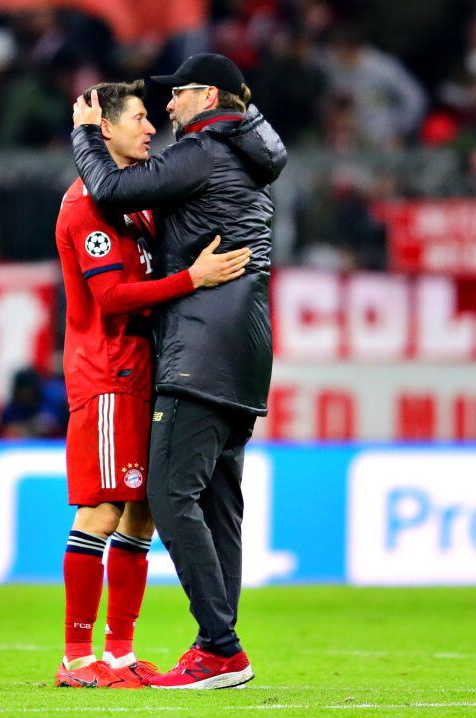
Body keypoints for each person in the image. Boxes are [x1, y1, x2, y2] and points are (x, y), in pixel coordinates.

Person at [72, 53, 287, 689]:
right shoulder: (244, 157)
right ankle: (216, 647)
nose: (167, 107)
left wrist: (85, 133)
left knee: (168, 495)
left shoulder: (206, 150)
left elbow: (108, 189)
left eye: (177, 94)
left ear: (210, 96)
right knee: (221, 506)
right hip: (245, 354)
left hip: (200, 351)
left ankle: (220, 646)